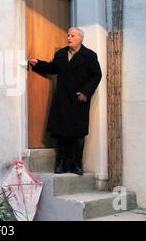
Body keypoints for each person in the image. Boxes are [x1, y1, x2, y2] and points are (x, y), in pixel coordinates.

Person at [28, 28, 102, 175]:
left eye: (72, 36)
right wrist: (38, 64)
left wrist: (86, 92)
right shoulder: (61, 54)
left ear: (80, 38)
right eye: (68, 35)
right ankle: (61, 164)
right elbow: (52, 67)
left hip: (78, 100)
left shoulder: (90, 56)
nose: (69, 38)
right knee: (61, 133)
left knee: (78, 134)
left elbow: (96, 75)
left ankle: (76, 165)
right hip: (62, 99)